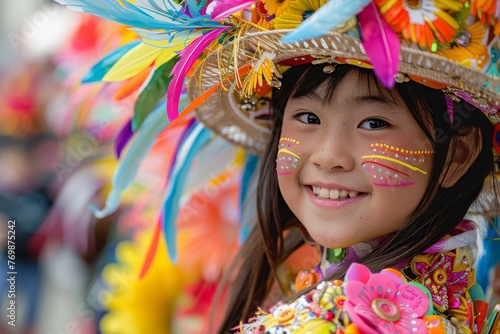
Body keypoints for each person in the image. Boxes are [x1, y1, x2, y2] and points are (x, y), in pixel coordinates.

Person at [55, 0, 500, 333]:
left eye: (374, 123)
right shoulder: (455, 303)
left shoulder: (340, 319)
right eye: (308, 118)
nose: (328, 155)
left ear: (458, 155)